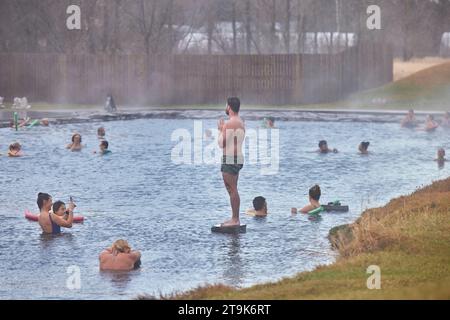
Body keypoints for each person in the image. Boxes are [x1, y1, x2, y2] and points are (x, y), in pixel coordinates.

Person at [218, 97, 246, 227]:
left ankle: (235, 219)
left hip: (230, 158)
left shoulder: (228, 124)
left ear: (229, 107)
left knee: (232, 189)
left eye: (226, 105)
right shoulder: (241, 122)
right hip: (238, 158)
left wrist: (220, 130)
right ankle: (234, 218)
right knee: (232, 188)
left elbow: (221, 143)